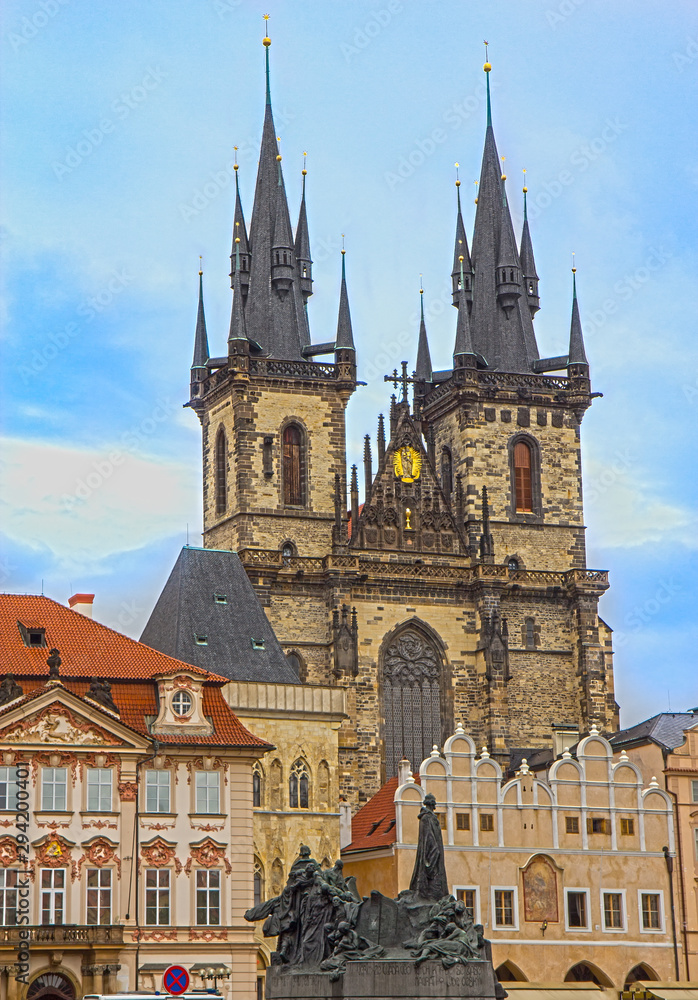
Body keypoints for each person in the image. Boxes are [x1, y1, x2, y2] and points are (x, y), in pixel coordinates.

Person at [409, 793, 449, 900]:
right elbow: (429, 838)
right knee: (434, 883)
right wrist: (434, 852)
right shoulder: (426, 818)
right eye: (434, 802)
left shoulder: (430, 817)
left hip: (435, 855)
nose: (435, 804)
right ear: (431, 803)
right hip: (431, 855)